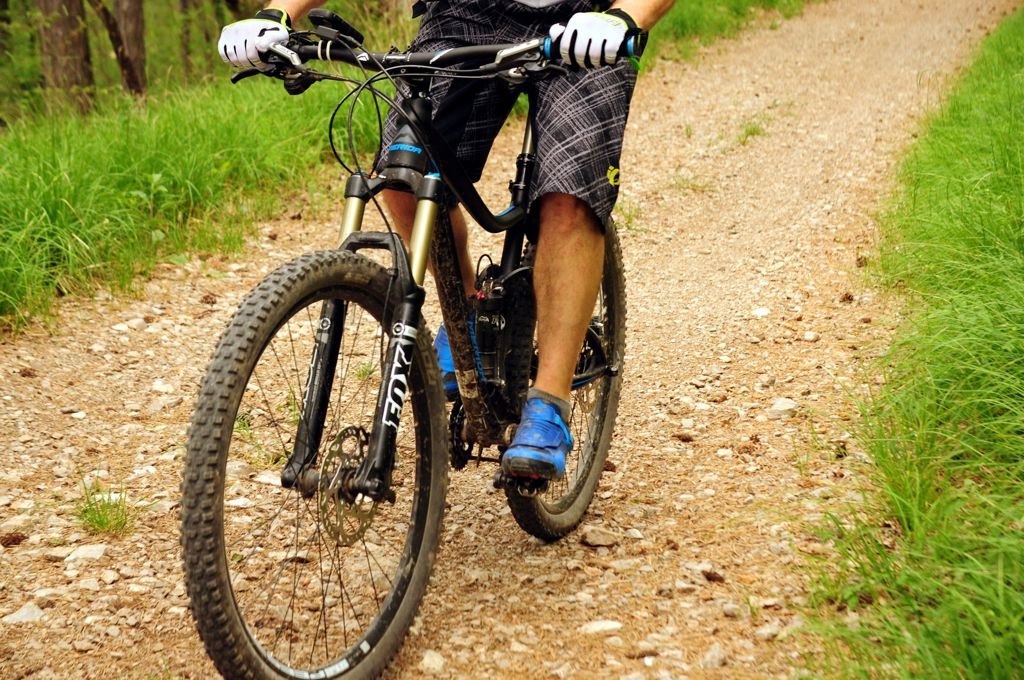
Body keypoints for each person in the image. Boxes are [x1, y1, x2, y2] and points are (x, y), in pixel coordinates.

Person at [218, 0, 675, 483]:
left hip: (588, 21)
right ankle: (470, 321)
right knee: (403, 178)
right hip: (468, 13)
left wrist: (627, 16)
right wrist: (276, 15)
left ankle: (549, 406)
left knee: (566, 198)